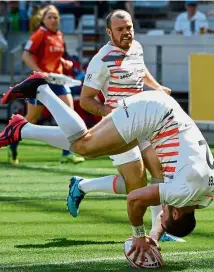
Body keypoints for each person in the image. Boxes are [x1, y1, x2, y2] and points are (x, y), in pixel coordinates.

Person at [0, 71, 214, 262]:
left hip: (164, 117)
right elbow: (134, 199)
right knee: (84, 145)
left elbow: (164, 199)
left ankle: (21, 129)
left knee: (98, 151)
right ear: (177, 212)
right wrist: (138, 235)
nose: (162, 211)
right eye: (166, 213)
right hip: (151, 114)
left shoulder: (206, 197)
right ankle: (41, 90)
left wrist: (154, 237)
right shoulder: (181, 193)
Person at [66, 9, 180, 242]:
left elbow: (141, 70)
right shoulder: (102, 59)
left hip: (143, 121)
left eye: (129, 27)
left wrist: (156, 87)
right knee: (136, 184)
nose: (126, 32)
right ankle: (83, 186)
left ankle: (160, 229)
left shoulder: (137, 47)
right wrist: (111, 114)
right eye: (120, 29)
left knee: (160, 171)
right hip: (117, 127)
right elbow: (85, 100)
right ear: (109, 32)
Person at [7, 4, 84, 164]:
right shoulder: (40, 34)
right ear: (43, 19)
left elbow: (58, 56)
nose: (53, 19)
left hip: (57, 80)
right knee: (32, 119)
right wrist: (39, 72)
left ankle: (66, 154)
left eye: (55, 17)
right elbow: (26, 56)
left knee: (69, 115)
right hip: (40, 83)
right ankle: (12, 145)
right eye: (50, 17)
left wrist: (65, 63)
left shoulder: (60, 35)